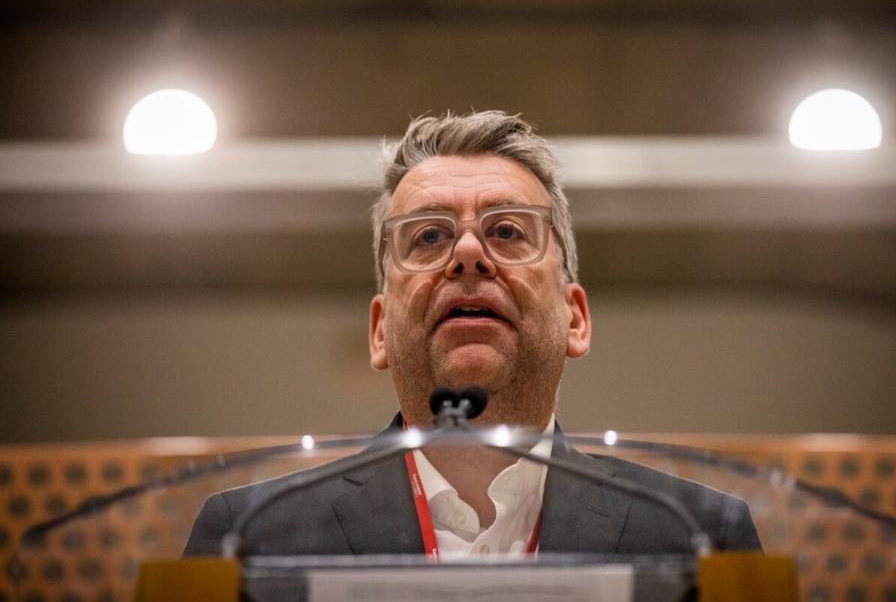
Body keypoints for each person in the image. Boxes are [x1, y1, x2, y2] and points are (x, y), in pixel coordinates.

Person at [184, 111, 761, 558]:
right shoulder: (249, 538)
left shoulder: (701, 537)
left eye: (507, 230)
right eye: (429, 237)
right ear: (380, 331)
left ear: (575, 319)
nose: (466, 254)